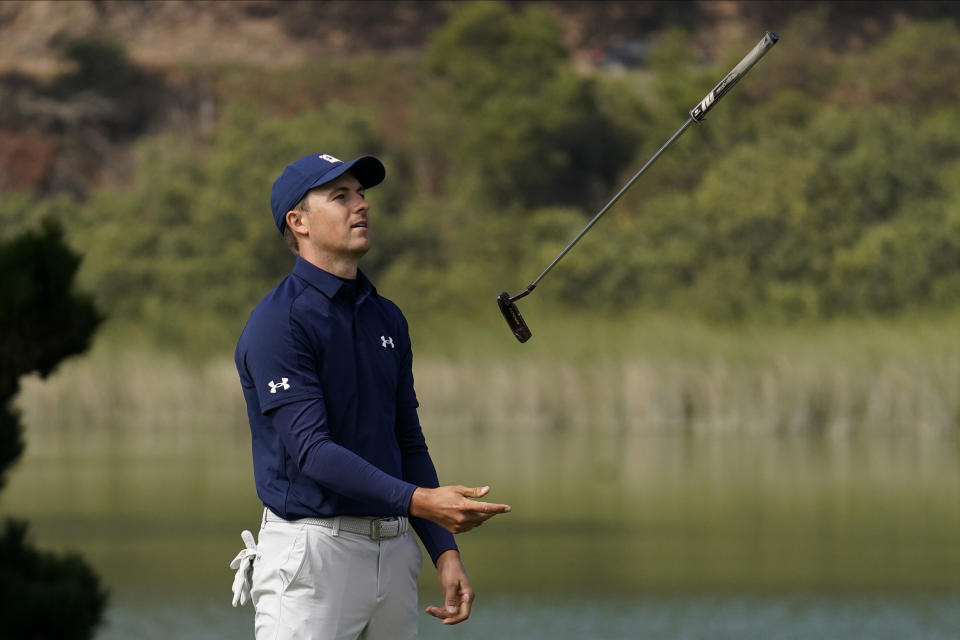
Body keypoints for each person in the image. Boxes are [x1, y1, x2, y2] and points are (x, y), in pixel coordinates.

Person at [231, 152, 511, 640]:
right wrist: (423, 501)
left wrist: (444, 551)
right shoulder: (279, 322)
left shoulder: (387, 318)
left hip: (394, 552)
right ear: (298, 222)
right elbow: (312, 452)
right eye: (339, 196)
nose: (360, 205)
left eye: (360, 194)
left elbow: (408, 442)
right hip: (313, 557)